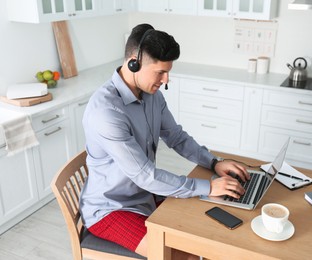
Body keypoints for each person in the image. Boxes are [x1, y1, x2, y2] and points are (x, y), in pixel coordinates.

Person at [79, 23, 249, 259]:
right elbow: (145, 175)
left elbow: (176, 137)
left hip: (145, 196)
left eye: (168, 71)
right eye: (160, 72)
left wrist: (213, 163)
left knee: (204, 235)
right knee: (181, 254)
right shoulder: (106, 112)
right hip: (111, 209)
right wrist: (208, 186)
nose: (166, 79)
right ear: (133, 63)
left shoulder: (151, 95)